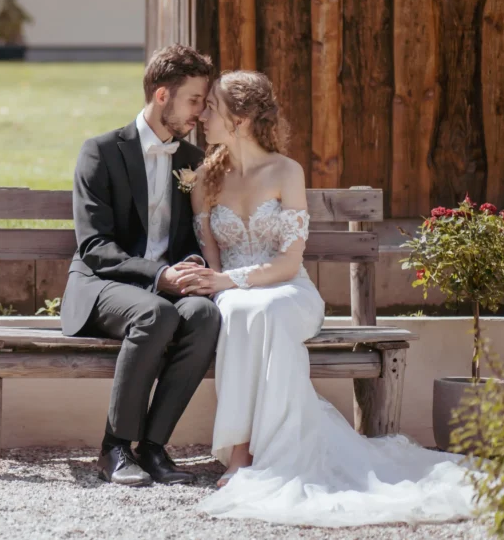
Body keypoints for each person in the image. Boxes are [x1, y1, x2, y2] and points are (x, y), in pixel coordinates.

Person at [173, 70, 479, 525]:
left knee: (268, 308)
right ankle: (241, 454)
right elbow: (212, 259)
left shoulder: (286, 171)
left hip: (289, 292)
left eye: (213, 108)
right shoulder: (204, 178)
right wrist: (219, 282)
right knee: (241, 310)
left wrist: (230, 282)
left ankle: (266, 454)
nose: (204, 117)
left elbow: (289, 264)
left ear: (238, 120)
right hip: (235, 296)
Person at [60, 44, 221, 487]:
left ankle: (152, 447)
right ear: (163, 95)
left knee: (205, 315)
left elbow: (191, 237)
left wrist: (189, 267)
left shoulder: (191, 161)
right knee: (155, 312)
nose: (200, 112)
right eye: (194, 100)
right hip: (102, 285)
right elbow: (94, 246)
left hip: (165, 288)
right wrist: (159, 275)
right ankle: (114, 447)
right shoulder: (101, 152)